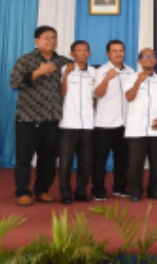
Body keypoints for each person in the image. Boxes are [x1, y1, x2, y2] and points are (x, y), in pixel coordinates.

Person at [9, 26, 72, 206]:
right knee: (24, 158)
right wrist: (38, 72)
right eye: (46, 37)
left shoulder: (63, 62)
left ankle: (42, 190)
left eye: (54, 37)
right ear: (36, 41)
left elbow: (81, 72)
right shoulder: (26, 60)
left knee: (48, 158)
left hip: (52, 118)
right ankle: (23, 192)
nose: (51, 41)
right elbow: (14, 82)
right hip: (28, 118)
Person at [123, 49, 157, 202]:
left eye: (152, 56)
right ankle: (135, 191)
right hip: (136, 128)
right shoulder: (130, 78)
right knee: (135, 163)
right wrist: (138, 82)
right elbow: (129, 98)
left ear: (156, 60)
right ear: (139, 60)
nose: (149, 59)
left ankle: (154, 190)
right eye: (145, 56)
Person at [92, 40, 135, 201]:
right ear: (108, 54)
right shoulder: (101, 71)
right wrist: (107, 79)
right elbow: (97, 94)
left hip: (124, 123)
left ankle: (120, 187)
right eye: (115, 51)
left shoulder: (130, 71)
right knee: (100, 159)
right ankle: (98, 190)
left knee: (123, 158)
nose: (118, 54)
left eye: (121, 50)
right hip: (104, 123)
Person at [58, 40, 96, 205]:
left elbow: (96, 96)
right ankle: (65, 193)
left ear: (89, 53)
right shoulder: (64, 69)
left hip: (88, 124)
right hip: (68, 123)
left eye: (85, 50)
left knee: (86, 161)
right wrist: (67, 74)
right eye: (79, 50)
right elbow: (61, 92)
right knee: (65, 161)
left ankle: (81, 191)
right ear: (72, 54)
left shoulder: (94, 72)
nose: (82, 53)